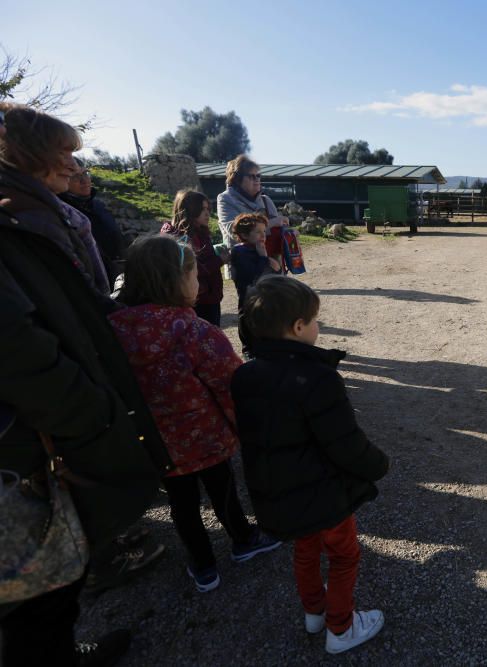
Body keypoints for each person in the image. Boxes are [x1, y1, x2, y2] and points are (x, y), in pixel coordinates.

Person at [0, 104, 172, 665]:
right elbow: (21, 350)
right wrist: (95, 416)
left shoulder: (32, 210)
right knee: (40, 579)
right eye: (64, 151)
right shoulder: (17, 216)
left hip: (48, 419)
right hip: (38, 434)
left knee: (46, 587)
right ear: (28, 153)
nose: (73, 163)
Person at [108, 235, 282, 593]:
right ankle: (243, 540)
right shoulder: (197, 331)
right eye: (194, 275)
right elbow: (232, 387)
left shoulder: (114, 331)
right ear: (175, 280)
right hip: (207, 438)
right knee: (224, 492)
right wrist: (247, 429)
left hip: (157, 444)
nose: (198, 282)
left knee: (182, 506)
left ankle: (203, 565)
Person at [231, 275, 389, 655]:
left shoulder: (244, 376)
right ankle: (342, 627)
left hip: (279, 494)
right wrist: (377, 465)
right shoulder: (318, 378)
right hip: (324, 494)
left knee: (305, 550)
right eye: (316, 320)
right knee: (343, 555)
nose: (319, 326)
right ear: (298, 327)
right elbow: (344, 443)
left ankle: (314, 612)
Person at [161, 189, 227, 326]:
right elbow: (191, 268)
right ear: (189, 209)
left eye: (208, 208)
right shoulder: (176, 238)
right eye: (202, 209)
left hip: (208, 297)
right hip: (194, 300)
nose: (207, 213)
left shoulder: (200, 231)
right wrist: (220, 260)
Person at [59, 158, 126, 287]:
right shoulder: (66, 212)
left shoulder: (97, 205)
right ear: (64, 178)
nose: (84, 180)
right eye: (76, 176)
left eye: (86, 174)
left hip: (118, 276)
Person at [216, 155, 288, 268]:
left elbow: (278, 230)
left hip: (273, 262)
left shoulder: (265, 200)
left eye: (258, 176)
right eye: (251, 176)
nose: (257, 180)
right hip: (246, 265)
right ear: (238, 179)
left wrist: (288, 232)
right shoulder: (225, 199)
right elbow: (234, 230)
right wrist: (272, 222)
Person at [230, 212, 281, 310]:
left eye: (264, 231)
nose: (263, 235)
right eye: (258, 232)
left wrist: (277, 269)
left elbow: (271, 274)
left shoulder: (257, 248)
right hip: (250, 302)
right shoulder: (240, 252)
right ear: (244, 235)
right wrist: (263, 258)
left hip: (265, 300)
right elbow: (251, 277)